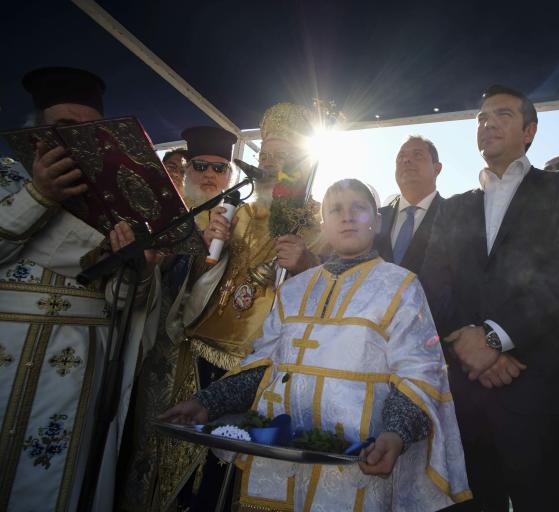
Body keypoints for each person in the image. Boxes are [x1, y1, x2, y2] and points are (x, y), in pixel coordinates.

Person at [161, 178, 471, 511]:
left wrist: (397, 432)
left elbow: (419, 372)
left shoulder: (401, 286)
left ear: (378, 221)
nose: (347, 216)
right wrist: (207, 403)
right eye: (335, 209)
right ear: (324, 225)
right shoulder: (294, 290)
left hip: (359, 461)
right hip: (278, 463)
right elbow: (265, 365)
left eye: (358, 208)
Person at [420, 85, 559, 512]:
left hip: (538, 390)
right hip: (463, 398)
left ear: (529, 131)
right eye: (481, 118)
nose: (488, 123)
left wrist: (496, 338)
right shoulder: (453, 207)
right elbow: (432, 283)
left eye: (502, 115)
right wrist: (468, 345)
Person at [0, 67, 158, 511]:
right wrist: (39, 195)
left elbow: (122, 302)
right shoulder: (6, 181)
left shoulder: (119, 204)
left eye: (90, 132)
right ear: (36, 133)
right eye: (64, 128)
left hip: (78, 362)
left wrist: (138, 270)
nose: (77, 142)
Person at [117, 125, 239, 511]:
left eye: (218, 168)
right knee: (140, 450)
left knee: (189, 466)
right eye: (200, 166)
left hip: (204, 367)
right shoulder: (161, 220)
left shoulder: (241, 227)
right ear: (185, 172)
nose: (208, 175)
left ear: (230, 176)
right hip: (152, 355)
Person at [376, 135, 443, 273]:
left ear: (436, 169)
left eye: (417, 155)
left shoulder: (455, 217)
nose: (406, 160)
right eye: (401, 157)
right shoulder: (375, 218)